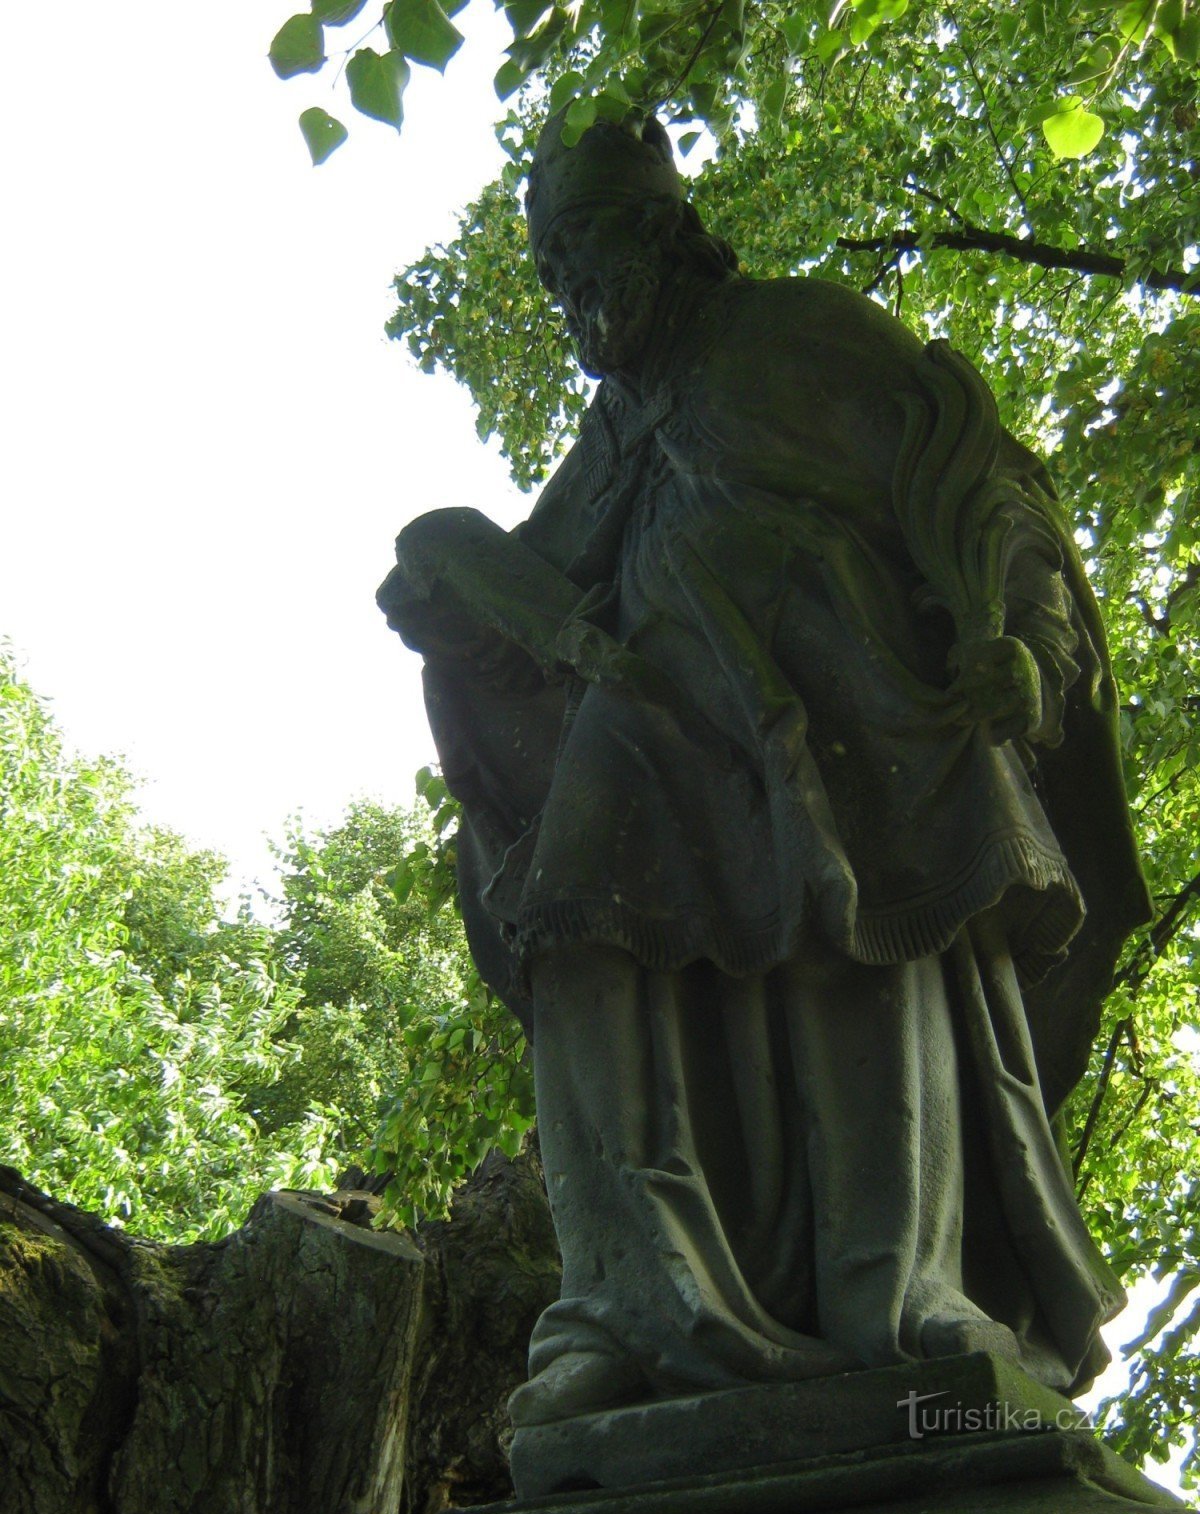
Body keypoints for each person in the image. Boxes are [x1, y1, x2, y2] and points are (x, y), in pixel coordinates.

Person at [378, 111, 1150, 1430]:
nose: (575, 284)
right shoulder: (615, 423)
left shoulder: (798, 339)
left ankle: (897, 1305)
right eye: (552, 262)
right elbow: (543, 577)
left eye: (593, 245)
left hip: (855, 743)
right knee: (581, 947)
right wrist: (450, 599)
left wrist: (1024, 644)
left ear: (668, 231)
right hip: (656, 733)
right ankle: (635, 1310)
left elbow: (981, 487)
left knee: (849, 958)